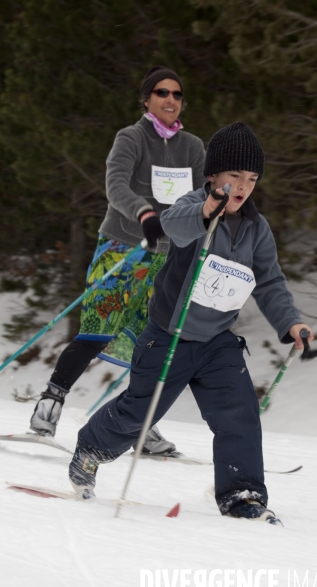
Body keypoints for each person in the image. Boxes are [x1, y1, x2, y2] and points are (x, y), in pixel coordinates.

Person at [68, 122, 314, 523]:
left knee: (238, 411)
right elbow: (172, 226)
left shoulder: (256, 228)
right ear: (213, 175)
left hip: (217, 341)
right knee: (140, 413)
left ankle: (242, 493)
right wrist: (205, 211)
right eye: (235, 175)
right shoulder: (192, 206)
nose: (243, 186)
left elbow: (269, 280)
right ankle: (91, 449)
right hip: (168, 337)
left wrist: (291, 324)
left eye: (252, 179)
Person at [29, 65, 206, 456]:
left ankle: (139, 425)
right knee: (98, 325)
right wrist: (144, 213)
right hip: (123, 246)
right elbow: (116, 185)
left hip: (167, 257)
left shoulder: (193, 147)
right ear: (147, 99)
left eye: (177, 94)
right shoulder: (131, 137)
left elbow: (199, 197)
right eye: (162, 92)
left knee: (153, 341)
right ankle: (50, 403)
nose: (170, 100)